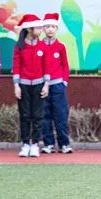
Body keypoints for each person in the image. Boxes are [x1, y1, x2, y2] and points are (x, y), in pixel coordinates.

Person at [12, 14, 48, 158]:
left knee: (38, 116)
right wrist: (16, 85)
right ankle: (26, 143)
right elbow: (16, 66)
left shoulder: (42, 45)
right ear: (29, 29)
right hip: (23, 85)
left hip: (39, 85)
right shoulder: (19, 47)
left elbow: (46, 66)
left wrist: (46, 85)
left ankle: (35, 144)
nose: (41, 30)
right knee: (25, 115)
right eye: (38, 27)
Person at [41, 12, 72, 154]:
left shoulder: (60, 47)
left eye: (53, 27)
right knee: (45, 115)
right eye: (47, 27)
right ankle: (48, 144)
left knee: (61, 115)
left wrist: (64, 82)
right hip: (42, 86)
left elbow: (65, 66)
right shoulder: (39, 46)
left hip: (58, 85)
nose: (50, 30)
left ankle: (64, 144)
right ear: (43, 28)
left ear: (56, 29)